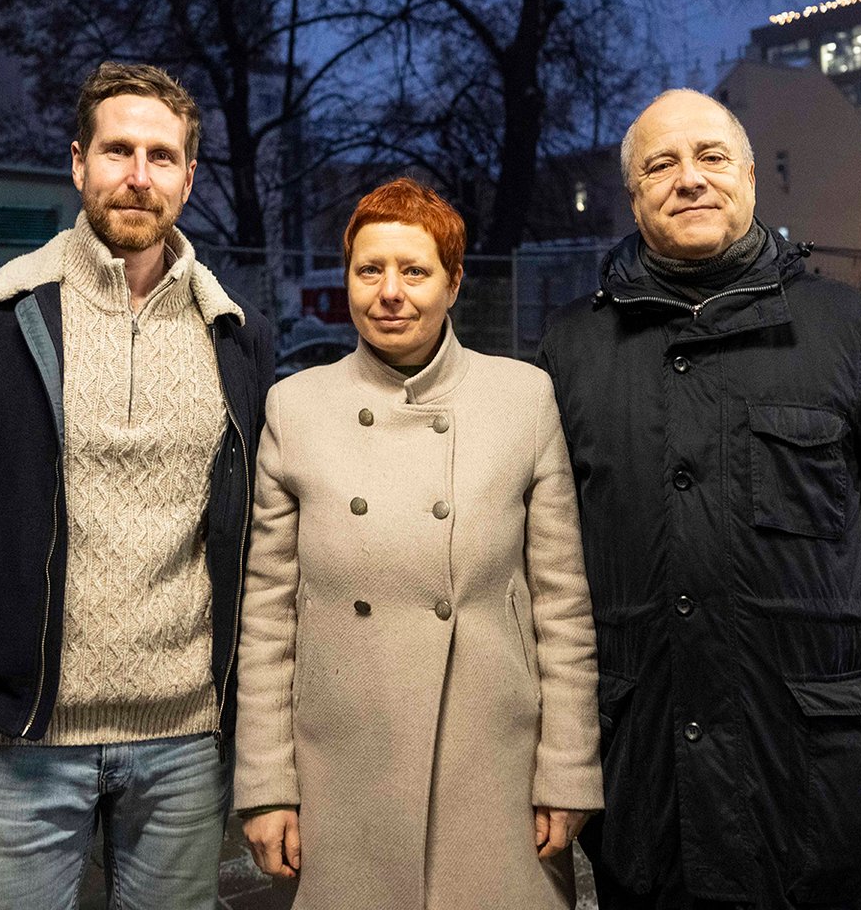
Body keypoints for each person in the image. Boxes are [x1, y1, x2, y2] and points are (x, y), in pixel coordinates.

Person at [537, 89, 861, 909]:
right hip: (651, 786)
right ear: (634, 196)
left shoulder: (846, 328)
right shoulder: (572, 348)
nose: (689, 178)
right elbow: (552, 554)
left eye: (711, 156)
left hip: (825, 784)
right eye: (661, 165)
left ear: (750, 178)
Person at [0, 62, 274, 910]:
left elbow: (244, 514)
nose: (138, 176)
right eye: (117, 151)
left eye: (161, 156)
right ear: (78, 163)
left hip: (185, 739)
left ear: (188, 177)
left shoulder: (236, 334)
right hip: (20, 737)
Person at [233, 178, 604, 909]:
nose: (390, 293)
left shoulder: (523, 399)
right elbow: (269, 618)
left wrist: (568, 769)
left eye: (415, 271)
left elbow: (561, 606)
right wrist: (267, 785)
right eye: (369, 270)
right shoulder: (296, 407)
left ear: (453, 282)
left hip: (492, 764)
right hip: (343, 768)